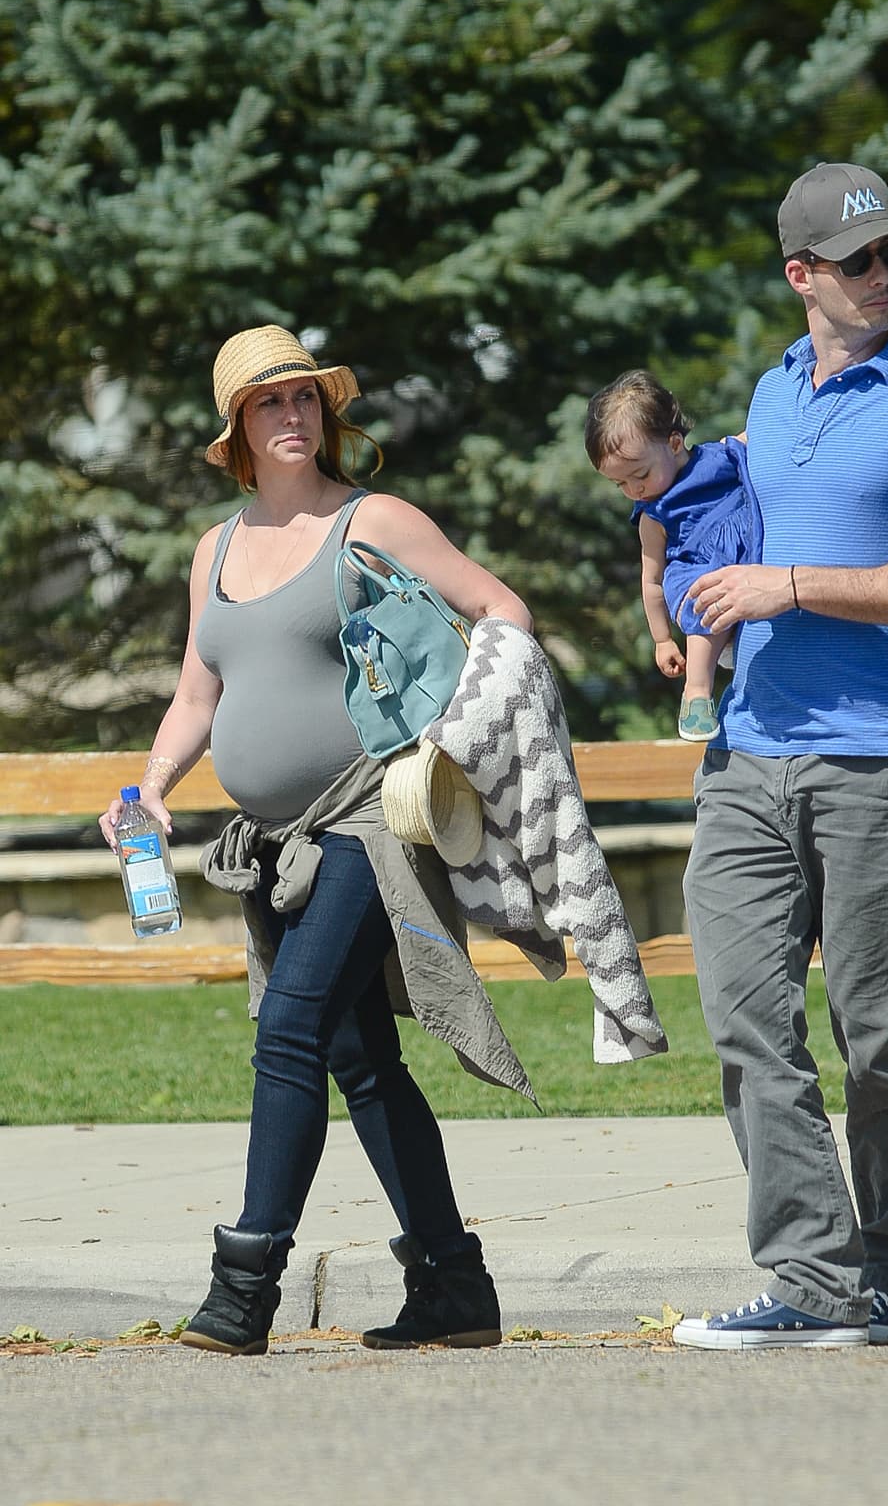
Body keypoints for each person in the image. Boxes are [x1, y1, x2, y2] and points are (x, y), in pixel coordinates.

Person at [99, 323, 532, 1356]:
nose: (292, 417)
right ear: (237, 430)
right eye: (268, 404)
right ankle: (453, 1286)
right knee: (359, 1058)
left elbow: (499, 609)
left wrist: (459, 737)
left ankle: (244, 1284)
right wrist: (153, 785)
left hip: (364, 818)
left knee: (288, 1029)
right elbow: (199, 690)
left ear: (323, 414)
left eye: (304, 399)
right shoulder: (216, 549)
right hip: (273, 838)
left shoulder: (370, 519)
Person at [672, 163, 888, 1350]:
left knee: (878, 1029)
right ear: (799, 275)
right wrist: (690, 608)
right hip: (746, 754)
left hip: (878, 756)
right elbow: (718, 527)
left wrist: (793, 586)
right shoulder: (767, 398)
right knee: (745, 1016)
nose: (883, 276)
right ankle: (814, 1284)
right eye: (857, 260)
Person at [585, 369, 762, 743]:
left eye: (640, 474)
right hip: (698, 573)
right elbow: (651, 581)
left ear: (675, 443)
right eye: (620, 484)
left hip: (753, 560)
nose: (634, 490)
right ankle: (697, 693)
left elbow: (762, 430)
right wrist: (662, 639)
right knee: (707, 597)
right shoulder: (654, 515)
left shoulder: (722, 455)